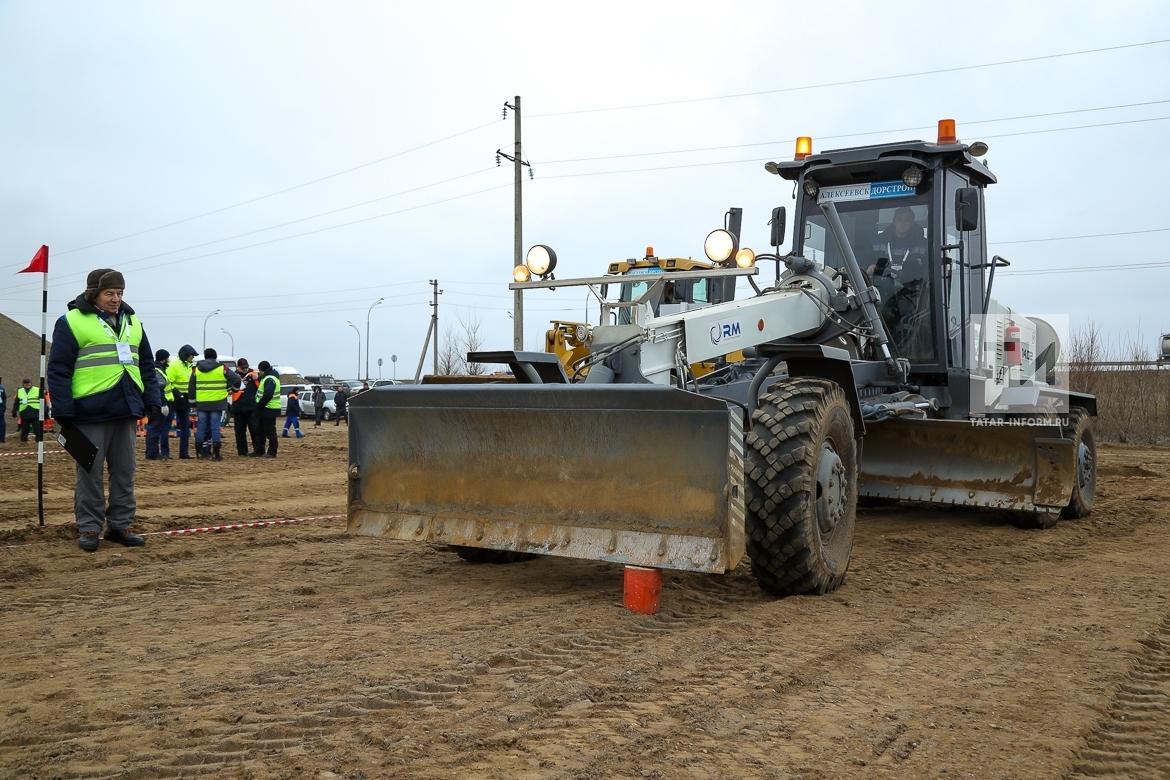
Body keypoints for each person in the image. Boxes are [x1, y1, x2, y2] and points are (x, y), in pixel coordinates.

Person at [47, 268, 161, 552]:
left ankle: (120, 526)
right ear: (93, 294)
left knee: (124, 471)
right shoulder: (71, 322)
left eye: (119, 293)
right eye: (109, 293)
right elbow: (59, 370)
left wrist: (153, 399)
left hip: (126, 408)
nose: (116, 299)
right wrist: (63, 409)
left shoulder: (133, 322)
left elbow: (146, 365)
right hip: (88, 411)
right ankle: (89, 527)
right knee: (90, 471)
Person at [188, 347, 240, 461]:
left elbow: (191, 387)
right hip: (217, 403)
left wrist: (192, 404)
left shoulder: (196, 370)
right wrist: (234, 389)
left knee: (201, 427)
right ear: (215, 357)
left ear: (205, 357)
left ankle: (200, 454)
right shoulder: (222, 368)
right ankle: (216, 454)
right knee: (215, 427)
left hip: (202, 403)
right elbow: (237, 379)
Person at [167, 344, 197, 459]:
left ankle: (184, 453)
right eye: (192, 355)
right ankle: (165, 453)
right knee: (167, 425)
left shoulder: (188, 365)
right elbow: (168, 381)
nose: (193, 357)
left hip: (185, 398)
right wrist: (177, 394)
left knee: (185, 425)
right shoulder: (174, 365)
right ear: (186, 355)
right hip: (173, 398)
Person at [145, 349, 175, 459]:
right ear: (164, 359)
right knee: (155, 429)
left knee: (156, 429)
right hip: (159, 404)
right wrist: (162, 404)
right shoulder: (157, 370)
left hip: (161, 403)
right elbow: (158, 388)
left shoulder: (160, 369)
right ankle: (152, 454)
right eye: (167, 358)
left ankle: (153, 453)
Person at [231, 358, 262, 456]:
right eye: (242, 368)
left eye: (246, 367)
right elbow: (227, 387)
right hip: (238, 409)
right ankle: (242, 452)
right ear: (238, 367)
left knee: (255, 430)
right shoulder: (233, 376)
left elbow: (264, 379)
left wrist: (258, 377)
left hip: (251, 408)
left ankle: (257, 450)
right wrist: (239, 383)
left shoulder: (253, 375)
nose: (245, 369)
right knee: (240, 432)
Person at [255, 361, 281, 457]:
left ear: (262, 370)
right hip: (266, 408)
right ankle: (259, 450)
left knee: (270, 432)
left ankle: (272, 452)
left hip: (269, 408)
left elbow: (268, 395)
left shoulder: (269, 379)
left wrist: (259, 405)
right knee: (260, 431)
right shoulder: (269, 377)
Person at [13, 378, 44, 442]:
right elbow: (17, 402)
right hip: (25, 413)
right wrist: (14, 411)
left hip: (35, 413)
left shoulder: (37, 390)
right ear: (23, 384)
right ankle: (23, 442)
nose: (27, 384)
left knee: (37, 429)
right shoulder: (20, 391)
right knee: (24, 430)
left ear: (31, 383)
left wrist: (44, 410)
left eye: (28, 383)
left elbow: (43, 401)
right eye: (25, 383)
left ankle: (39, 442)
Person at [0, 377, 6, 443]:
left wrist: (3, 408)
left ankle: (1, 440)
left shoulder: (2, 388)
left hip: (0, 410)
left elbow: (4, 399)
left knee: (2, 425)